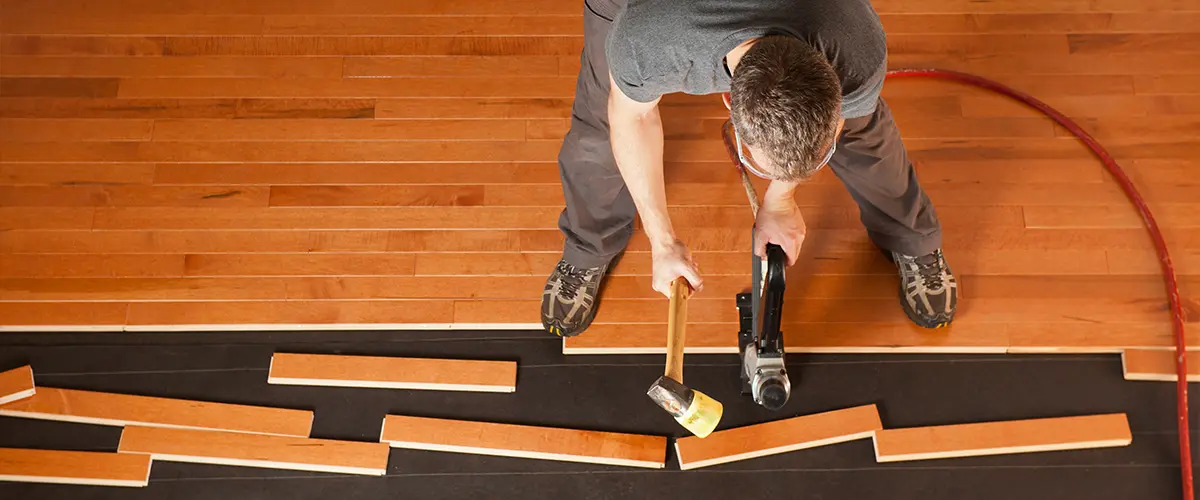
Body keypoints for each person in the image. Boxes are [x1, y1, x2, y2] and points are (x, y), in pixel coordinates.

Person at [540, 0, 958, 337]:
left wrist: (781, 200)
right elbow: (633, 118)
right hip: (652, 11)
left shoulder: (852, 40)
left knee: (866, 131)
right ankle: (587, 246)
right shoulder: (645, 40)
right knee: (600, 131)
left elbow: (828, 126)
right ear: (728, 106)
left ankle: (912, 237)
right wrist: (661, 238)